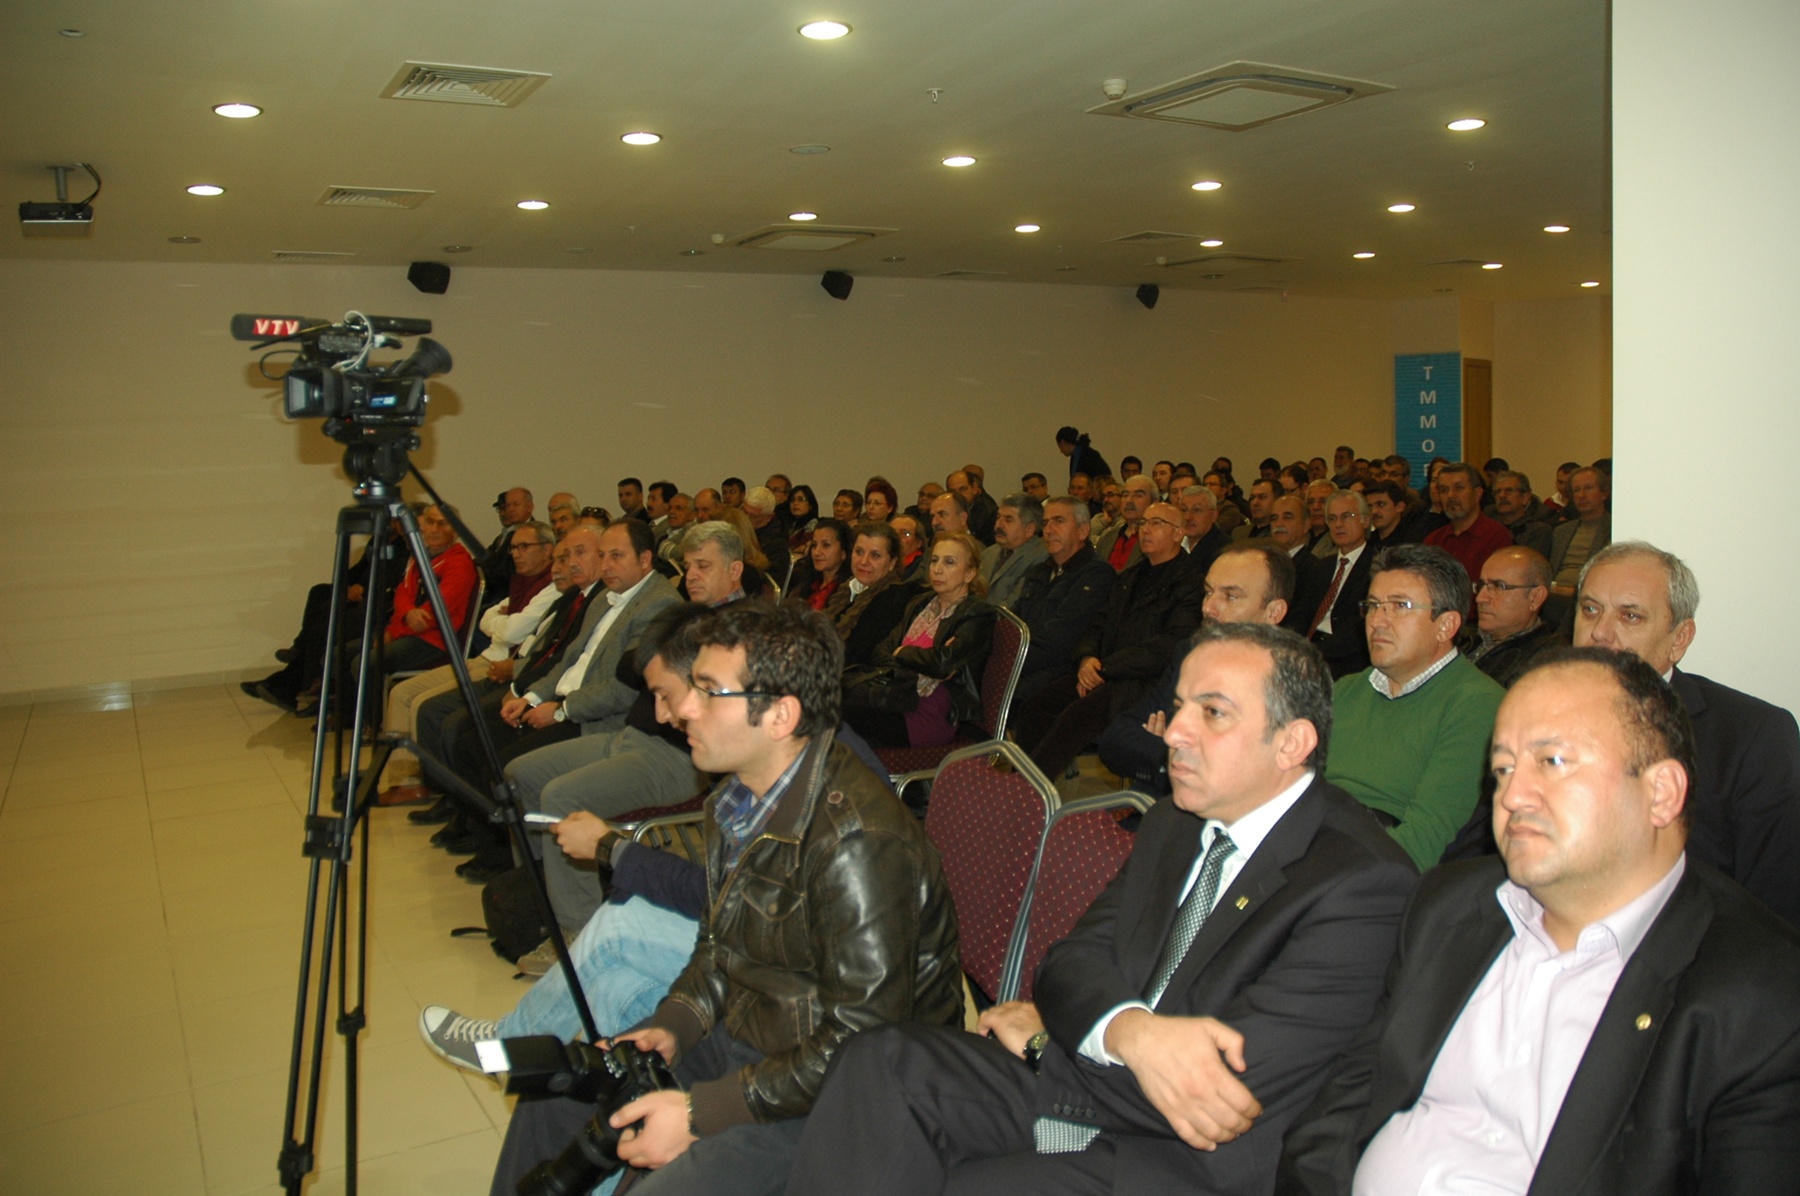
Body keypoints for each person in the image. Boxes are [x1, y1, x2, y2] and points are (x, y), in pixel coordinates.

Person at [785, 622, 1418, 1196]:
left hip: (1186, 1160)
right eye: (1176, 709)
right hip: (1103, 1078)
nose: (1174, 732)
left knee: (963, 1181)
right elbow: (1068, 964)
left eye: (1213, 713)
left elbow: (1220, 1096)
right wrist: (1126, 1030)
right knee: (883, 1060)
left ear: (1292, 743)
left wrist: (1043, 1042)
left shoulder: (1361, 885)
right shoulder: (1176, 820)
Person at [1279, 649, 1800, 1195]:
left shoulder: (1762, 997)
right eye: (1503, 768)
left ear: (1660, 793)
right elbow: (1341, 1111)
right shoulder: (1450, 906)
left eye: (1552, 761)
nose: (1512, 795)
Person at [488, 602, 963, 1196]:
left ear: (780, 716)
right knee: (557, 1102)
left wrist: (698, 1112)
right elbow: (718, 942)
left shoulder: (859, 842)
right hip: (761, 1041)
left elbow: (860, 1039)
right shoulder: (734, 800)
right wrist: (674, 1025)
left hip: (850, 1091)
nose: (684, 707)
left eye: (710, 691)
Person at [1574, 541, 1800, 928]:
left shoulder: (1752, 735)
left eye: (1630, 616)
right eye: (1590, 609)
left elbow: (1772, 906)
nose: (1600, 632)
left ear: (1679, 638)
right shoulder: (1534, 714)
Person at [1326, 544, 1505, 870]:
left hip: (1372, 877)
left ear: (1446, 625)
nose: (1377, 620)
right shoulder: (1346, 690)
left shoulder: (1477, 706)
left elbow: (1424, 845)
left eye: (1399, 606)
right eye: (1374, 605)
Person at [1013, 502, 1201, 779]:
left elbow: (1170, 644)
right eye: (1144, 523)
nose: (1146, 530)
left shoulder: (1190, 583)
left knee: (1076, 717)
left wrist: (1106, 667)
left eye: (1157, 524)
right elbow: (1098, 625)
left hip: (1146, 681)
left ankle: (1028, 791)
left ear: (1178, 533)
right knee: (1039, 705)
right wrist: (1087, 658)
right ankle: (1023, 781)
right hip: (1104, 671)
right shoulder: (1129, 577)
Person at [1097, 542, 1295, 793]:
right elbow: (1115, 739)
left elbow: (1233, 781)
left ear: (1274, 612)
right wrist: (1171, 756)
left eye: (1230, 596)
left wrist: (1167, 746)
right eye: (1208, 592)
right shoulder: (1190, 654)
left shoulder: (1288, 682)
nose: (1208, 607)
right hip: (1157, 812)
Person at [841, 532, 995, 749]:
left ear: (969, 573)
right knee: (828, 702)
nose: (937, 569)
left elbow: (942, 664)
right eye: (934, 560)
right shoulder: (920, 604)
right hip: (895, 696)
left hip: (929, 714)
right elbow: (881, 653)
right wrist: (921, 661)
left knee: (836, 713)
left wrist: (902, 652)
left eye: (949, 562)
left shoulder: (977, 613)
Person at [1010, 495, 1118, 703]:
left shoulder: (1096, 575)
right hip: (1022, 662)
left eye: (1058, 521)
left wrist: (1006, 661)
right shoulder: (1039, 572)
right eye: (1045, 523)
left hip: (1060, 670)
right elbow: (1013, 621)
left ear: (1083, 531)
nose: (1049, 530)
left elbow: (1060, 641)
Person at [1300, 491, 1376, 680]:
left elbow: (1361, 626)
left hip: (1348, 659)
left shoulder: (1377, 568)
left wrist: (1313, 654)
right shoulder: (1321, 566)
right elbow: (1303, 613)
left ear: (1366, 521)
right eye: (1332, 519)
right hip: (1310, 650)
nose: (1338, 524)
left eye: (1346, 517)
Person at [1468, 545, 1563, 687]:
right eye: (1481, 585)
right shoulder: (1467, 641)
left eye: (1498, 586)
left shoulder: (1547, 664)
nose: (1480, 598)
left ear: (1535, 597)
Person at [835, 522, 922, 667]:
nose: (863, 561)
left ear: (892, 563)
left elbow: (857, 656)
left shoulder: (892, 601)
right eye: (859, 552)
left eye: (875, 555)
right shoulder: (844, 591)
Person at [1422, 462, 1513, 588]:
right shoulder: (1433, 541)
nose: (1451, 496)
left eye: (1459, 488)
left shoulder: (1496, 537)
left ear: (1477, 493)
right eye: (1444, 490)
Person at [980, 492, 1048, 609]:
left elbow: (1015, 605)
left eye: (1008, 519)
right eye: (998, 517)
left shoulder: (1041, 556)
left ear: (1029, 529)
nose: (998, 525)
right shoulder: (988, 553)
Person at [783, 518, 853, 616]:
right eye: (814, 545)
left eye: (826, 545)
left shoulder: (847, 593)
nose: (816, 552)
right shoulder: (806, 584)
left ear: (843, 553)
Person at [783, 484, 820, 557]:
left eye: (801, 499)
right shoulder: (792, 525)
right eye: (792, 500)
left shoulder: (813, 524)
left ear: (810, 505)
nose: (795, 503)